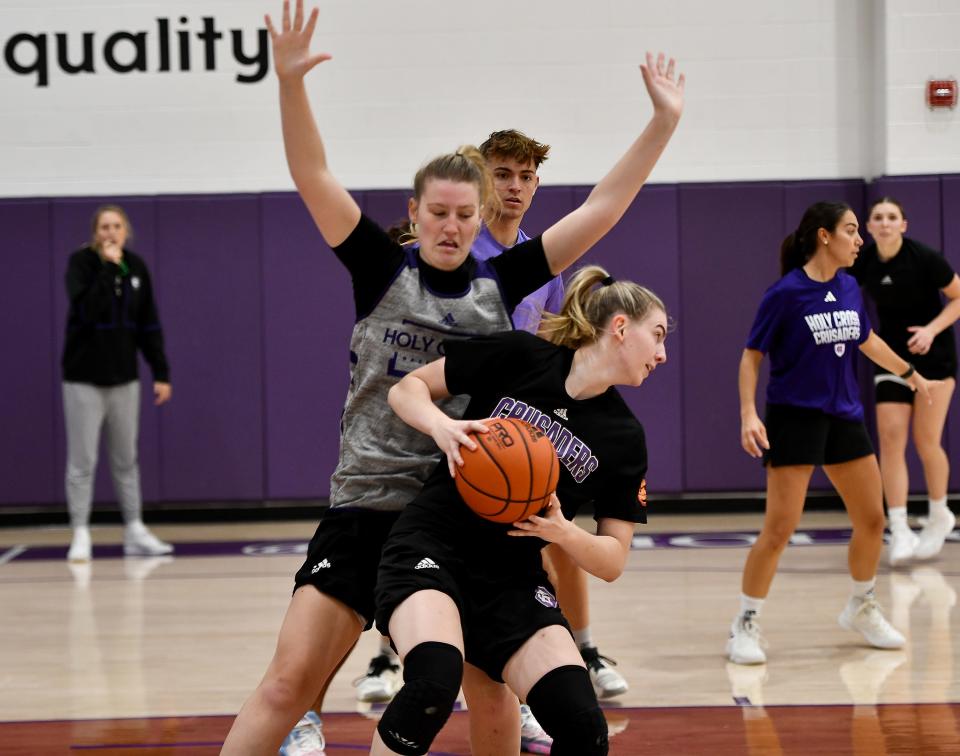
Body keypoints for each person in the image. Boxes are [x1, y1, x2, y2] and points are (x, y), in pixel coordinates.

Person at [220, 2, 684, 754]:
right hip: (369, 504)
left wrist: (662, 124)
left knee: (491, 702)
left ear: (479, 218)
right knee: (287, 684)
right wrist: (290, 85)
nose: (449, 224)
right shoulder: (379, 268)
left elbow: (603, 208)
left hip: (464, 509)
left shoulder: (503, 282)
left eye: (463, 214)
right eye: (436, 211)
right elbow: (312, 174)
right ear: (415, 212)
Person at [372, 265, 667, 756]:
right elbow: (406, 389)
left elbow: (613, 560)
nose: (662, 353)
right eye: (656, 336)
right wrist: (444, 428)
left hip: (510, 576)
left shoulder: (625, 437)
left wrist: (562, 532)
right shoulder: (521, 355)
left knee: (582, 726)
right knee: (431, 688)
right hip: (433, 544)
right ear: (620, 328)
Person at [727, 201, 937, 666]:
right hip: (794, 417)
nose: (860, 239)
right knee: (780, 529)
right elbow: (751, 356)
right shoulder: (785, 293)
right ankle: (744, 622)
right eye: (851, 230)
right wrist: (748, 413)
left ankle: (861, 605)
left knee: (872, 520)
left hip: (844, 416)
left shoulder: (848, 286)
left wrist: (909, 372)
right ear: (824, 236)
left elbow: (866, 339)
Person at [62, 205, 174, 562]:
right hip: (83, 379)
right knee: (83, 461)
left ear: (126, 231)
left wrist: (160, 372)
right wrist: (108, 269)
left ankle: (135, 529)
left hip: (124, 379)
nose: (111, 232)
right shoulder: (81, 265)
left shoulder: (137, 268)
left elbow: (148, 324)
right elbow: (86, 310)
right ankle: (80, 531)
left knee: (126, 459)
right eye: (104, 227)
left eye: (116, 226)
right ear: (96, 233)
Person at [851, 197, 960, 566]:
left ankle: (939, 512)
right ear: (868, 227)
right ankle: (898, 527)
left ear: (903, 224)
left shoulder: (925, 258)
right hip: (893, 358)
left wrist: (931, 330)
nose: (884, 223)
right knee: (891, 438)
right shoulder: (864, 261)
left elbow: (958, 297)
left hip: (934, 356)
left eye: (891, 217)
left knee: (926, 440)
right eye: (877, 217)